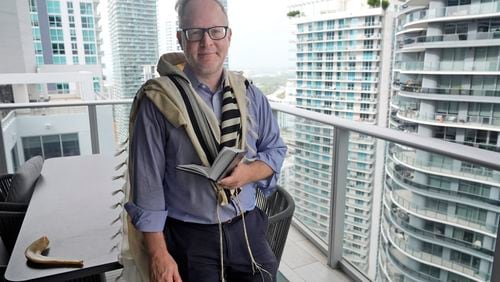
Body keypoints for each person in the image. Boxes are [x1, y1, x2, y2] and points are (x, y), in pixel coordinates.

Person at [123, 0, 287, 281]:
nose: (206, 42)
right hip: (190, 240)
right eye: (195, 32)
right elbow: (147, 186)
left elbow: (275, 151)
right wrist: (159, 254)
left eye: (216, 31)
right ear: (180, 38)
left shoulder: (249, 94)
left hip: (247, 229)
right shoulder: (159, 102)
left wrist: (248, 173)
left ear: (229, 36)